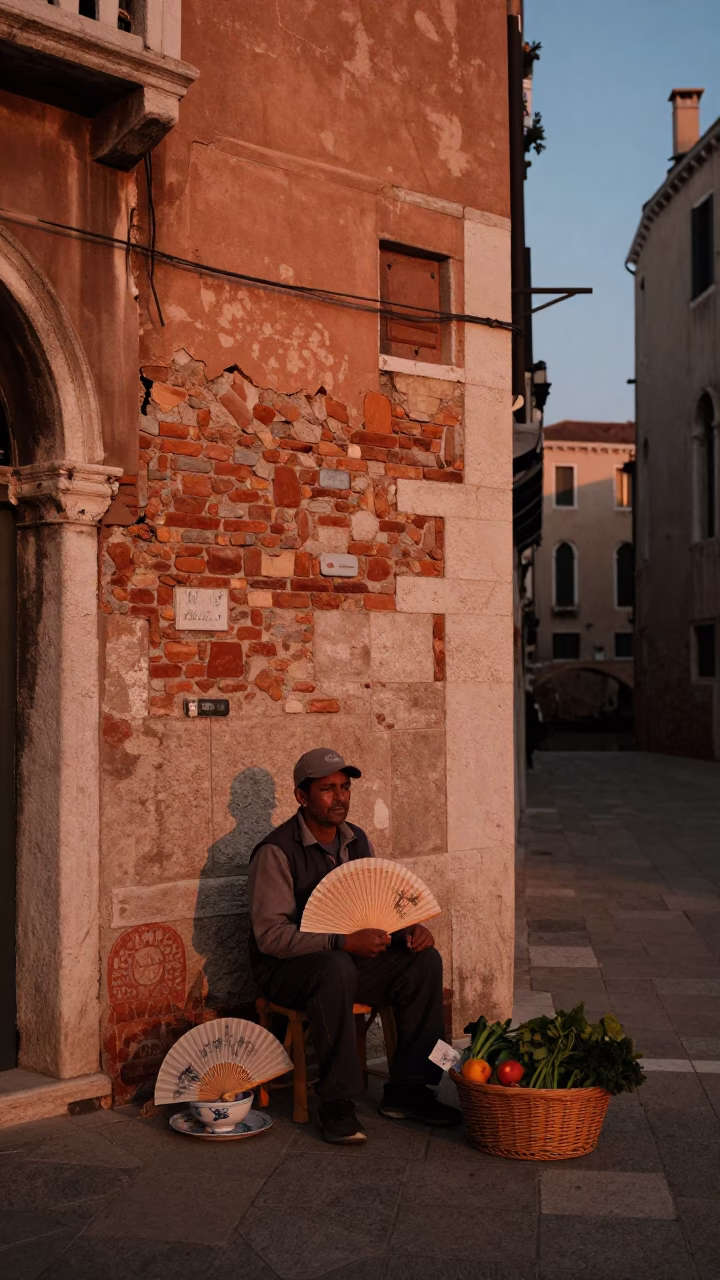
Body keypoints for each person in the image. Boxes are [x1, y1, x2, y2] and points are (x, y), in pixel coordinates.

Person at [248, 747, 461, 1144]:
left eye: (345, 787)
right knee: (336, 967)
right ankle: (336, 1102)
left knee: (423, 962)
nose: (340, 797)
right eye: (328, 789)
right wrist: (341, 941)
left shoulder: (356, 839)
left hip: (343, 961)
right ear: (301, 796)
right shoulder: (275, 851)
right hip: (286, 970)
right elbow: (271, 937)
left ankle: (411, 1090)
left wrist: (408, 930)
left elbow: (377, 904)